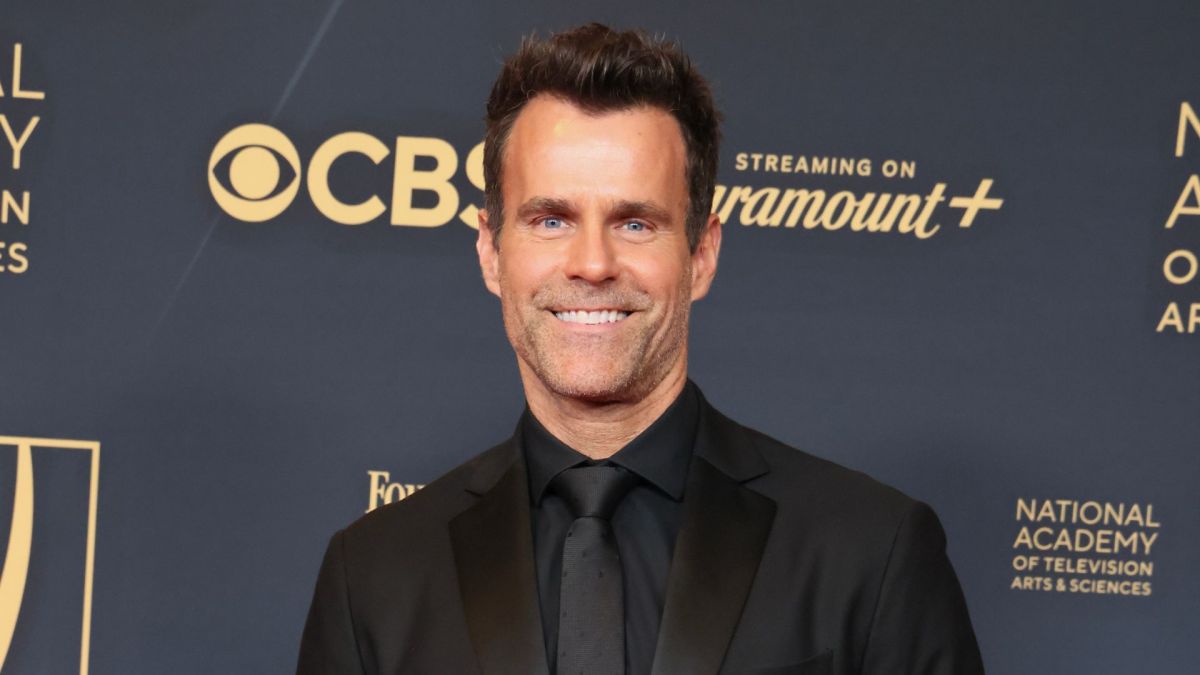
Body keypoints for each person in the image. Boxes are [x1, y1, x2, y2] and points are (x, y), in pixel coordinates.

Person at [297, 23, 984, 675]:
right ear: (489, 250)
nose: (592, 263)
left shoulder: (872, 552)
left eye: (634, 221)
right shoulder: (374, 574)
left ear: (702, 252)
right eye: (550, 218)